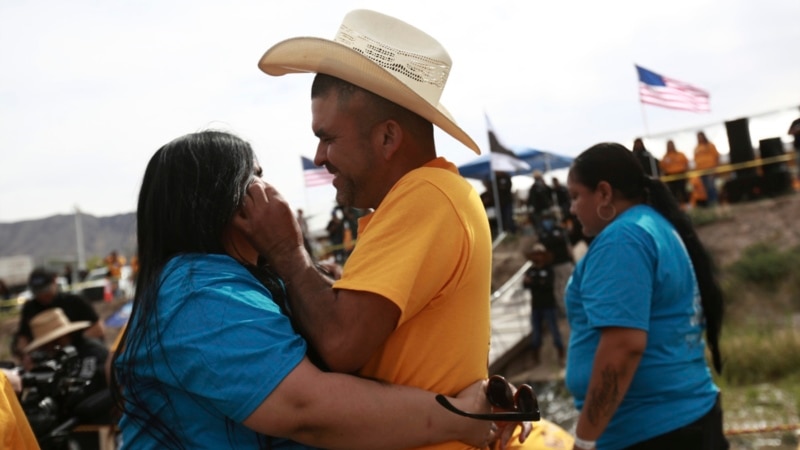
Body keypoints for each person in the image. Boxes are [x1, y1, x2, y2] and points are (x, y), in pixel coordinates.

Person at [254, 9, 538, 449]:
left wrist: (287, 252)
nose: (319, 157)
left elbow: (343, 343)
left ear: (388, 138)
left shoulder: (426, 196)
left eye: (328, 138)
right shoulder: (439, 194)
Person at [111, 130, 501, 450]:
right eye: (254, 178)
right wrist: (462, 418)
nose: (268, 189)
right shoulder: (195, 295)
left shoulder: (242, 282)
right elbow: (308, 408)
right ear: (229, 206)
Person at [564, 142, 728, 450]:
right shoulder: (652, 226)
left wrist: (584, 440)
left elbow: (623, 346)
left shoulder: (622, 240)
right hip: (682, 422)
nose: (572, 209)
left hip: (651, 432)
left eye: (575, 196)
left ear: (604, 193)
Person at [12, 267, 105, 370]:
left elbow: (98, 328)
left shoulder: (73, 301)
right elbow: (23, 336)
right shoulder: (30, 307)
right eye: (38, 292)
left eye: (45, 290)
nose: (43, 295)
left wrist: (70, 347)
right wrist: (26, 356)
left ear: (54, 281)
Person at [522, 243, 565, 368]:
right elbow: (526, 285)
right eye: (536, 254)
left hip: (549, 306)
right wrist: (535, 283)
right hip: (536, 306)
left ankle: (561, 356)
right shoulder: (531, 270)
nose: (538, 257)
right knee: (536, 334)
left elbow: (547, 285)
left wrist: (533, 282)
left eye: (540, 254)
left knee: (554, 332)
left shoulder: (548, 270)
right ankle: (535, 359)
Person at [659, 140, 690, 206]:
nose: (670, 146)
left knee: (683, 191)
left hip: (681, 174)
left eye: (671, 145)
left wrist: (686, 173)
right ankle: (675, 206)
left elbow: (686, 163)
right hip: (670, 177)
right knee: (673, 192)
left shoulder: (680, 154)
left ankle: (687, 205)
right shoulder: (665, 157)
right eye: (669, 145)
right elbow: (662, 167)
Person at [694, 131, 720, 206]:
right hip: (701, 171)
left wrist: (715, 168)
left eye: (701, 136)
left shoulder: (710, 145)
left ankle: (714, 202)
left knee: (711, 186)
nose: (700, 138)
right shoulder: (696, 148)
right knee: (705, 188)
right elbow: (696, 160)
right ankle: (710, 203)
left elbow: (716, 157)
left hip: (710, 169)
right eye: (698, 136)